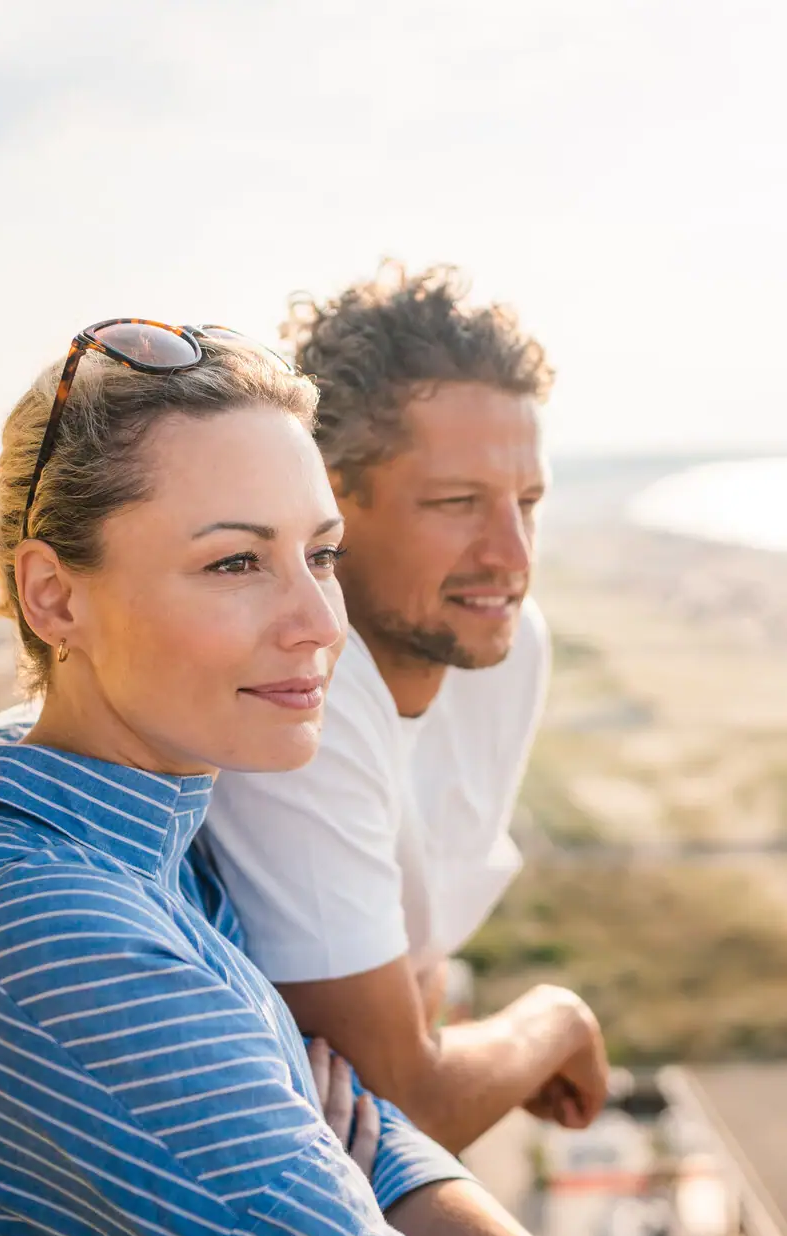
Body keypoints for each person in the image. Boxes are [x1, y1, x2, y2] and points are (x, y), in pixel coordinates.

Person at [0, 320, 575, 1236]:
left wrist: (327, 1146)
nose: (322, 625)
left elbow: (354, 1125)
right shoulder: (65, 939)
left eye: (322, 554)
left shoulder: (93, 821)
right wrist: (321, 1149)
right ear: (55, 598)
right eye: (235, 562)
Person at [204, 267, 608, 1155]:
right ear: (330, 508)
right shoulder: (296, 686)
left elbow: (415, 967)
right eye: (458, 503)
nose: (511, 555)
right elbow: (401, 1104)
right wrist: (555, 1021)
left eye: (529, 503)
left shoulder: (508, 643)